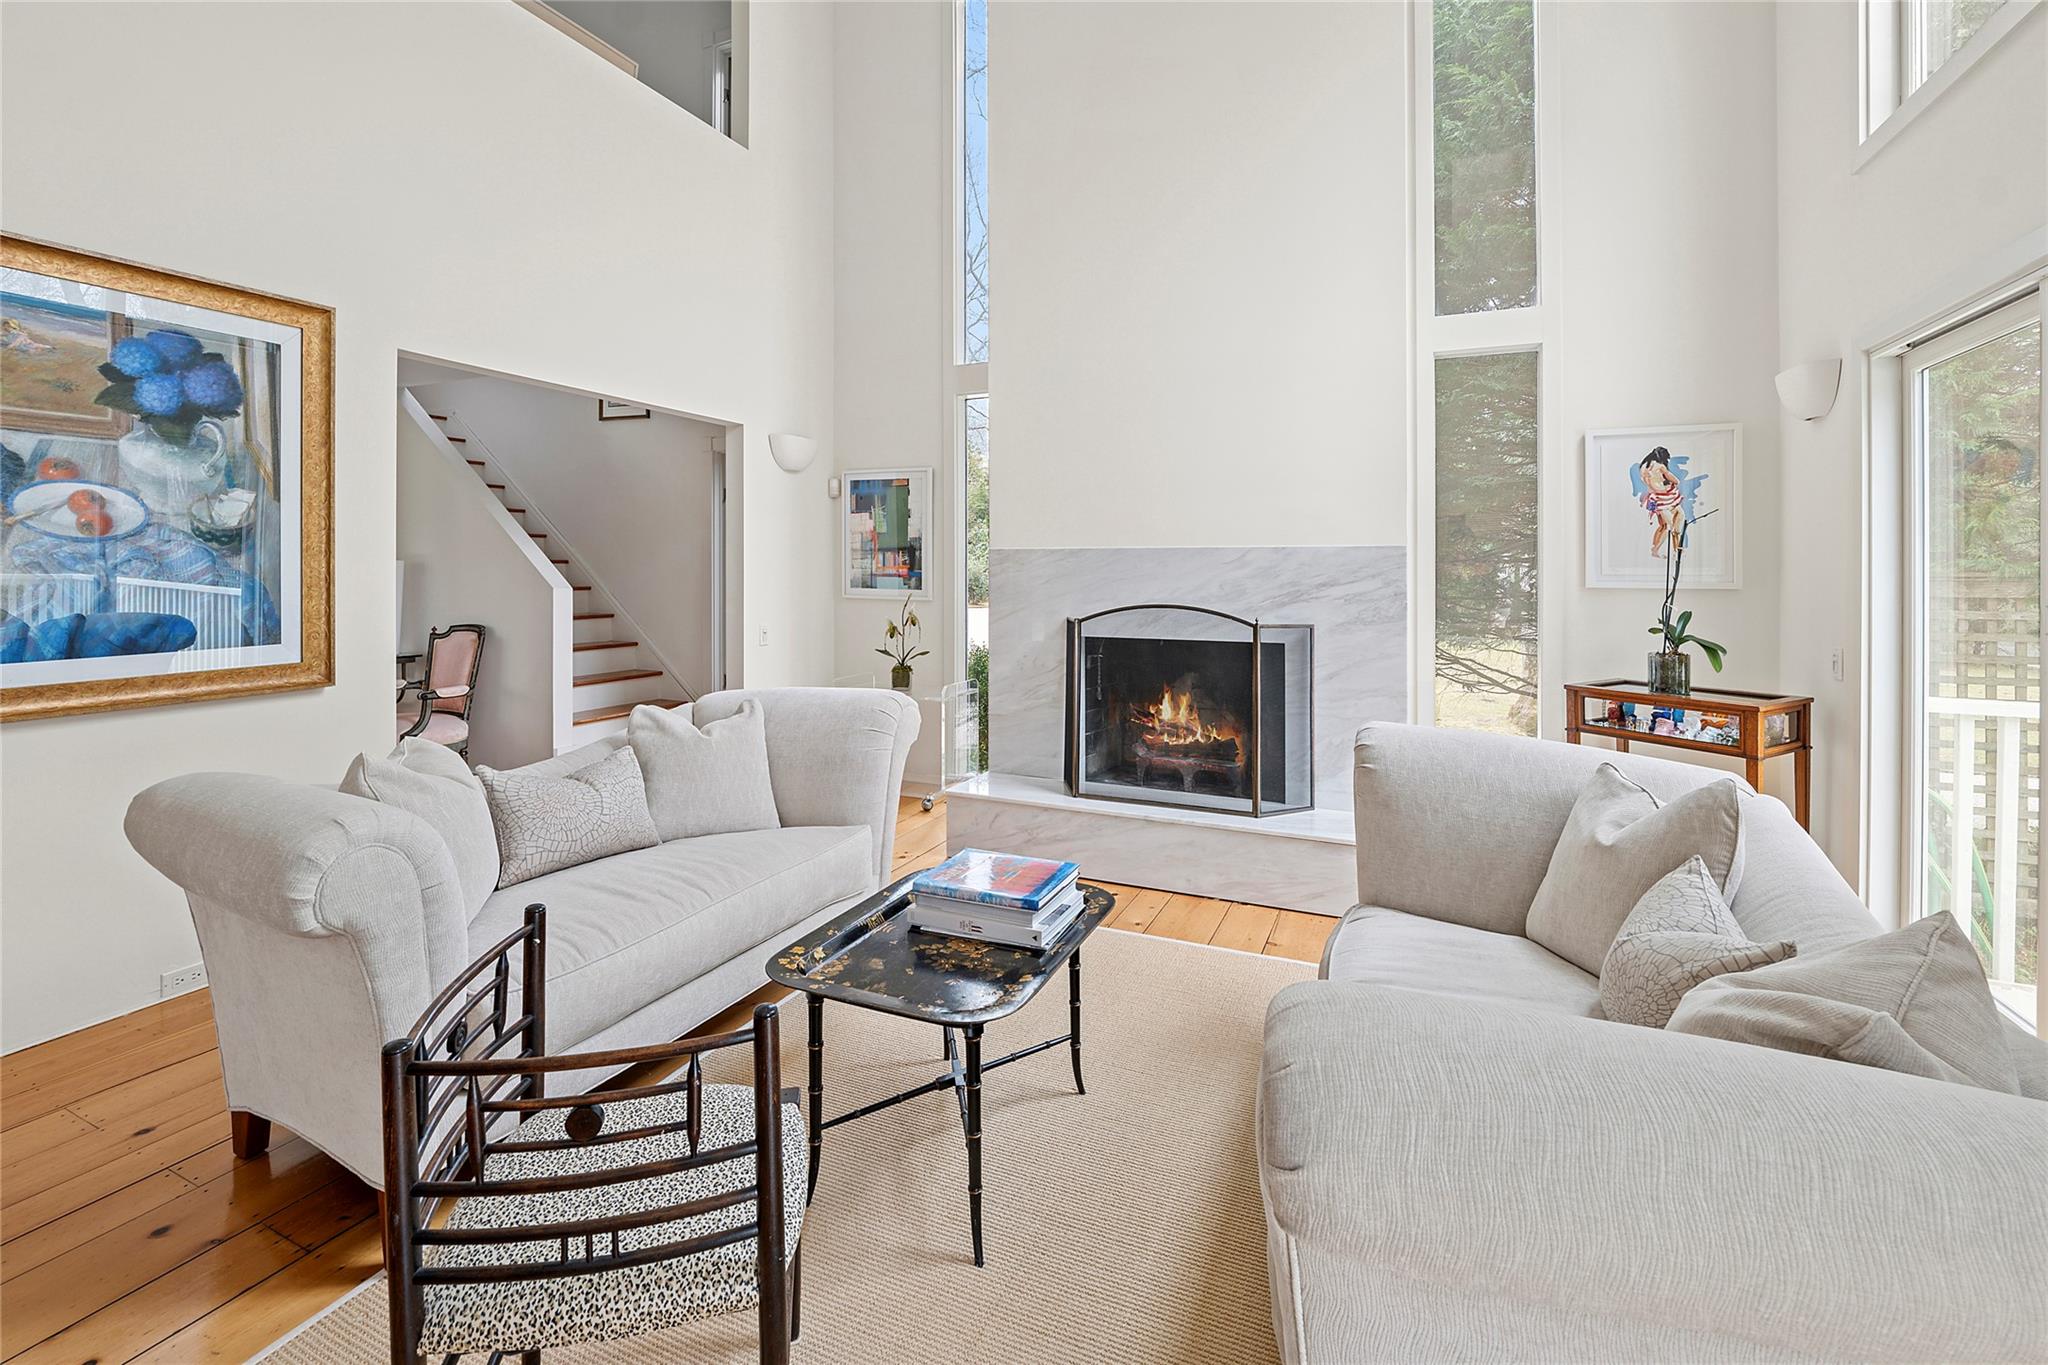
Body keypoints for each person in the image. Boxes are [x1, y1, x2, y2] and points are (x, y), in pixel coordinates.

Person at [1637, 446, 1686, 557]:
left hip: (1654, 498)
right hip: (1665, 498)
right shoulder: (1660, 466)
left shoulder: (1643, 467)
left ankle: (1656, 550)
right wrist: (1665, 481)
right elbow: (1676, 480)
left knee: (1664, 526)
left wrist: (1660, 481)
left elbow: (1652, 483)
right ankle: (1677, 551)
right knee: (1673, 526)